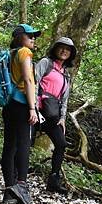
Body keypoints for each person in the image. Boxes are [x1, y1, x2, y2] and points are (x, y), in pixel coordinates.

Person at [1, 23, 40, 204]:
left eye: (34, 36)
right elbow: (27, 79)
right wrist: (32, 108)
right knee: (24, 144)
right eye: (29, 35)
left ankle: (9, 191)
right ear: (19, 37)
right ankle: (22, 186)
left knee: (9, 146)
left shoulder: (10, 54)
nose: (33, 39)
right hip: (22, 103)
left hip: (9, 104)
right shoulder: (24, 52)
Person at [35, 37, 76, 194]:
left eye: (68, 49)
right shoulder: (45, 63)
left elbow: (64, 100)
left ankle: (54, 180)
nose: (64, 51)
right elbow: (33, 82)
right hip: (37, 111)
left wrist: (63, 118)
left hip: (53, 115)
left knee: (61, 144)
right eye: (61, 47)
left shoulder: (66, 75)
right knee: (26, 142)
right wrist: (33, 107)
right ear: (56, 48)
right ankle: (19, 179)